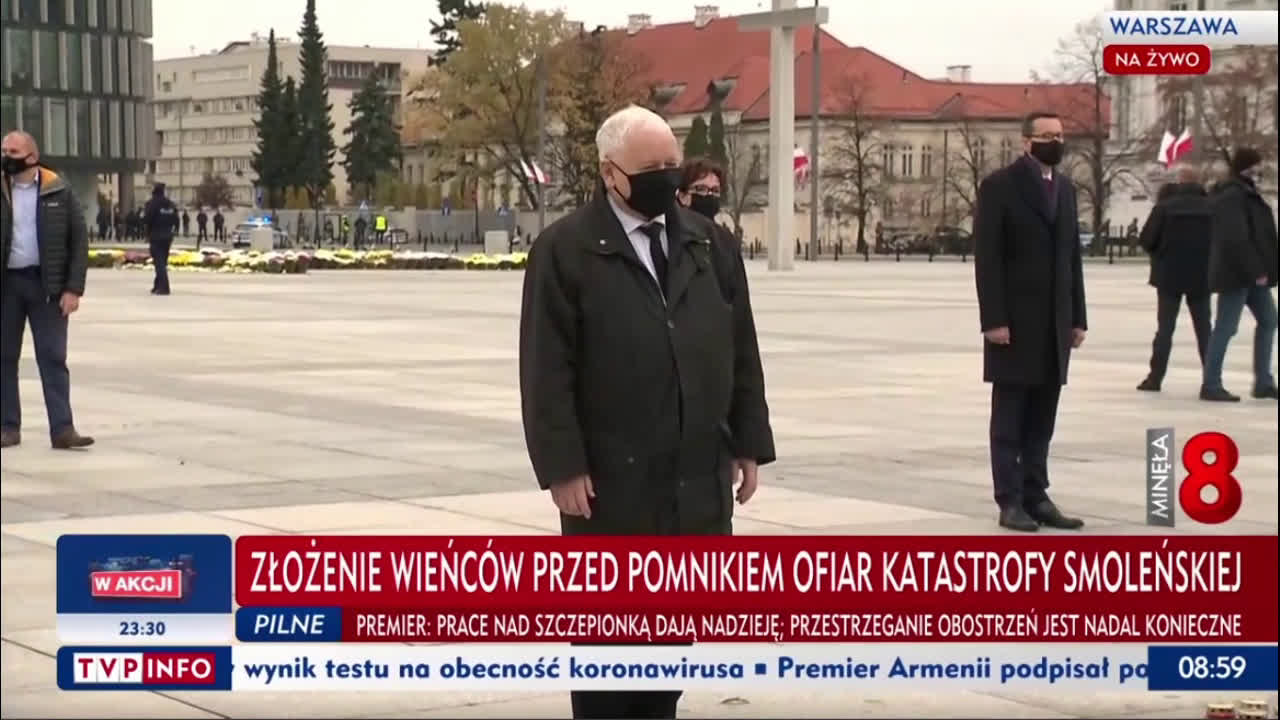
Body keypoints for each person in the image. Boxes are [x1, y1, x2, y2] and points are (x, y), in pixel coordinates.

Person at [518, 105, 774, 720]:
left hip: (694, 476)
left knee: (674, 638)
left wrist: (748, 442)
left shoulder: (709, 244)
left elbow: (741, 346)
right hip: (612, 482)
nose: (665, 177)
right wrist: (562, 465)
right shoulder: (566, 250)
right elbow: (546, 368)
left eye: (671, 164)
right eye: (650, 167)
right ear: (611, 173)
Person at [974, 111, 1087, 533]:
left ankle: (1037, 494)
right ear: (1026, 141)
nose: (1055, 142)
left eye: (1060, 134)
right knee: (1010, 417)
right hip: (1014, 323)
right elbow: (988, 258)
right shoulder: (999, 186)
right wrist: (994, 320)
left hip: (1054, 323)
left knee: (1043, 416)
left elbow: (1072, 258)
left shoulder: (1066, 189)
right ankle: (1009, 499)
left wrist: (1077, 317)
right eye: (1046, 135)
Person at [0, 131, 94, 450]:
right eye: (3, 150)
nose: (6, 157)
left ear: (31, 156)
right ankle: (8, 427)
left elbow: (79, 241)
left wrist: (73, 289)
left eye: (12, 152)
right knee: (4, 357)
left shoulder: (58, 189)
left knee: (53, 357)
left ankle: (62, 429)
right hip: (7, 286)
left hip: (47, 287)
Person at [1200, 147, 1279, 402]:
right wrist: (1256, 269)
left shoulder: (1247, 193)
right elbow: (1236, 237)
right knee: (1226, 327)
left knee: (1269, 320)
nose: (1260, 169)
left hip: (1252, 272)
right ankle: (1211, 384)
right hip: (1236, 273)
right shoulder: (1232, 196)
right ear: (1246, 167)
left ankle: (1263, 382)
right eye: (1256, 165)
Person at [1136, 164, 1213, 392]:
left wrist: (1161, 254)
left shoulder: (1165, 207)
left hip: (1168, 276)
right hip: (1202, 276)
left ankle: (1155, 378)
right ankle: (1211, 379)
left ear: (1180, 182)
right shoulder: (1212, 207)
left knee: (1165, 329)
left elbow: (1146, 239)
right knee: (1204, 330)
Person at [143, 183, 179, 296]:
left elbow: (147, 219)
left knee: (159, 263)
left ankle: (164, 287)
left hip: (156, 235)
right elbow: (176, 219)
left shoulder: (152, 203)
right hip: (168, 236)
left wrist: (147, 233)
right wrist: (174, 231)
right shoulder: (170, 204)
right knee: (162, 262)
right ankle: (157, 285)